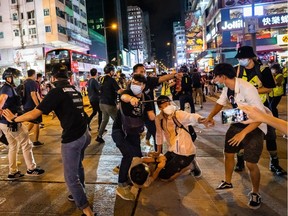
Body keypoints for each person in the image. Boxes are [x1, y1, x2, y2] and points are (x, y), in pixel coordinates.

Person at [3, 64, 94, 216]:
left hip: (72, 138)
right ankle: (77, 192)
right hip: (85, 134)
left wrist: (14, 119)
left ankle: (87, 211)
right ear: (68, 77)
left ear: (52, 78)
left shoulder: (56, 92)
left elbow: (34, 114)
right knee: (78, 166)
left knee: (70, 177)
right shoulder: (74, 90)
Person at [204, 63, 268, 209]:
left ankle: (255, 193)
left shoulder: (247, 89)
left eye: (216, 76)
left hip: (255, 125)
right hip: (239, 120)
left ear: (223, 77)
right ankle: (227, 181)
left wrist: (243, 133)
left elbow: (260, 116)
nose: (215, 79)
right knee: (228, 153)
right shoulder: (227, 88)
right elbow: (220, 103)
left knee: (250, 163)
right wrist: (210, 117)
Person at [234, 46, 286, 175]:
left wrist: (251, 92)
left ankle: (274, 163)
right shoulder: (237, 70)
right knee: (240, 135)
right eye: (239, 58)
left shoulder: (264, 70)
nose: (240, 60)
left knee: (270, 137)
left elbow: (269, 88)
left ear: (251, 58)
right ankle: (240, 161)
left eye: (243, 58)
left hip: (262, 108)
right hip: (242, 109)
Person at [112, 74, 155, 201]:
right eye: (134, 82)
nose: (135, 85)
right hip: (120, 131)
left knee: (137, 155)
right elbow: (124, 97)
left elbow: (151, 116)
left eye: (138, 83)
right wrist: (131, 98)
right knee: (128, 155)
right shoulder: (127, 92)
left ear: (144, 86)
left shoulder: (146, 98)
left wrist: (165, 111)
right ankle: (121, 185)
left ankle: (125, 171)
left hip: (134, 133)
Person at [0, 68, 44, 180]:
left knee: (13, 146)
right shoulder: (7, 88)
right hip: (11, 123)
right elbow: (2, 101)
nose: (16, 79)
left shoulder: (8, 87)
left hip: (5, 123)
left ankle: (13, 172)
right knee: (26, 143)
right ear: (8, 78)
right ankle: (31, 168)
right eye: (14, 77)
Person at [155, 95, 204, 181]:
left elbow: (191, 117)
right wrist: (158, 152)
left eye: (169, 103)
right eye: (165, 105)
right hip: (173, 150)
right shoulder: (158, 118)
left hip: (184, 152)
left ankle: (190, 166)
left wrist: (202, 119)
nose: (168, 106)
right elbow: (159, 134)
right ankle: (187, 163)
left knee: (165, 177)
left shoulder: (178, 114)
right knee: (159, 170)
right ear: (160, 108)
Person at [96, 63, 123, 144]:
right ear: (111, 71)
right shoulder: (111, 80)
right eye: (113, 71)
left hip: (101, 103)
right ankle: (121, 136)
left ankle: (99, 136)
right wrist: (126, 91)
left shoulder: (102, 79)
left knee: (104, 120)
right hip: (109, 104)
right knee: (118, 120)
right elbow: (119, 91)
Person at [23, 69, 43, 147]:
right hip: (32, 106)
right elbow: (33, 95)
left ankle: (24, 134)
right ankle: (35, 141)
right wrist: (38, 106)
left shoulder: (24, 82)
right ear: (33, 74)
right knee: (37, 123)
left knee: (33, 121)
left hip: (26, 105)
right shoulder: (32, 83)